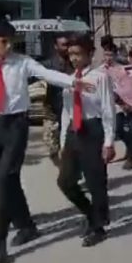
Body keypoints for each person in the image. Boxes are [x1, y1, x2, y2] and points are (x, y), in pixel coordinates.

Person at [0, 20, 92, 263]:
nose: (7, 46)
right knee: (8, 180)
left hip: (15, 126)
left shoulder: (21, 63)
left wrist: (73, 82)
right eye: (2, 41)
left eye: (9, 41)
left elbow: (47, 74)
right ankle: (26, 225)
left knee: (4, 178)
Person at [57, 34, 116, 248]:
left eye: (78, 54)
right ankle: (91, 213)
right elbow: (66, 110)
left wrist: (109, 141)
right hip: (74, 130)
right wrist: (63, 138)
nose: (73, 58)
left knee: (95, 181)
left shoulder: (100, 76)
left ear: (89, 54)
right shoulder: (69, 79)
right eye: (70, 54)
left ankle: (98, 227)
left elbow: (108, 110)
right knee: (65, 181)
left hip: (93, 129)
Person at [42, 32, 73, 166]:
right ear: (56, 46)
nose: (67, 48)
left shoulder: (73, 63)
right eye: (63, 45)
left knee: (70, 143)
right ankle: (62, 168)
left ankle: (69, 171)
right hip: (52, 110)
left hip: (70, 109)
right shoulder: (48, 65)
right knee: (52, 145)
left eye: (68, 44)